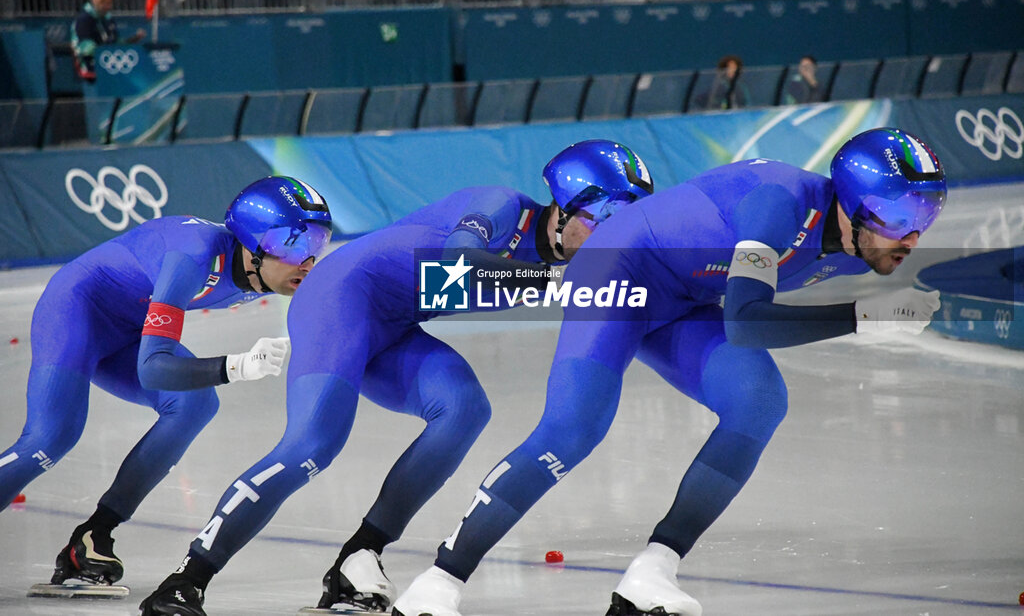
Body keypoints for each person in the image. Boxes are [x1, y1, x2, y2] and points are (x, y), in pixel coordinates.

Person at [391, 127, 947, 616]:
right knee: (572, 431)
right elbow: (748, 322)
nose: (912, 237)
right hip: (618, 268)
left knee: (757, 401)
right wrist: (862, 317)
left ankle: (651, 574)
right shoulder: (779, 206)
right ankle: (436, 584)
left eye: (926, 216)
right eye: (901, 217)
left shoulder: (857, 244)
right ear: (852, 202)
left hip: (682, 297)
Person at [137, 140, 655, 616]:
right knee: (310, 446)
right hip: (338, 301)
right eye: (603, 217)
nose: (611, 234)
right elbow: (449, 266)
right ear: (561, 208)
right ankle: (186, 580)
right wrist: (553, 278)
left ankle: (359, 557)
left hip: (395, 323)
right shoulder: (500, 206)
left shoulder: (573, 257)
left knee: (465, 410)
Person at [0, 176, 333, 590]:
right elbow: (153, 369)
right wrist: (239, 366)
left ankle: (94, 535)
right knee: (49, 438)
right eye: (292, 243)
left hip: (128, 329)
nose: (307, 260)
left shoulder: (259, 274)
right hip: (75, 311)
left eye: (317, 243)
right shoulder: (192, 258)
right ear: (251, 243)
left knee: (195, 405)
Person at [70, 0, 147, 82]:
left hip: (111, 70)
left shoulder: (108, 19)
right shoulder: (83, 19)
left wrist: (133, 39)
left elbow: (116, 43)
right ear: (94, 0)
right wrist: (106, 51)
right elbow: (85, 48)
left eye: (109, 2)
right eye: (102, 1)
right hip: (90, 69)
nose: (106, 6)